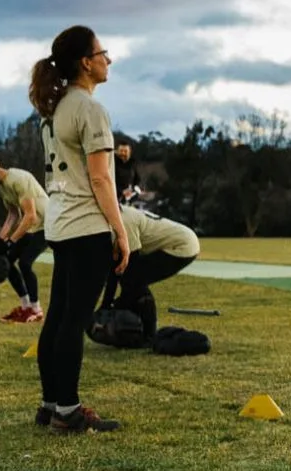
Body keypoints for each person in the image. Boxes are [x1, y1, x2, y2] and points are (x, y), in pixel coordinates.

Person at [28, 25, 132, 433]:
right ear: (87, 63)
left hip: (60, 222)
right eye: (103, 52)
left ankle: (50, 403)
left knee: (57, 318)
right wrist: (120, 231)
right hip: (86, 225)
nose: (109, 59)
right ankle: (68, 411)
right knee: (73, 321)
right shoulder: (90, 109)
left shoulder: (54, 110)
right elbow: (102, 180)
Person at [99, 202, 200, 340]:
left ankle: (148, 334)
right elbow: (116, 267)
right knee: (132, 281)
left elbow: (128, 267)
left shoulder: (124, 221)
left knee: (134, 280)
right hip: (183, 240)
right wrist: (106, 305)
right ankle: (139, 330)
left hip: (182, 246)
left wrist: (113, 306)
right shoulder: (117, 216)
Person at [0, 153, 49, 323]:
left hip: (48, 225)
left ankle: (36, 310)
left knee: (25, 263)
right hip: (33, 226)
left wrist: (11, 241)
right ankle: (25, 306)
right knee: (6, 260)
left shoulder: (19, 179)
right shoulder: (1, 187)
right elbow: (13, 215)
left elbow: (30, 216)